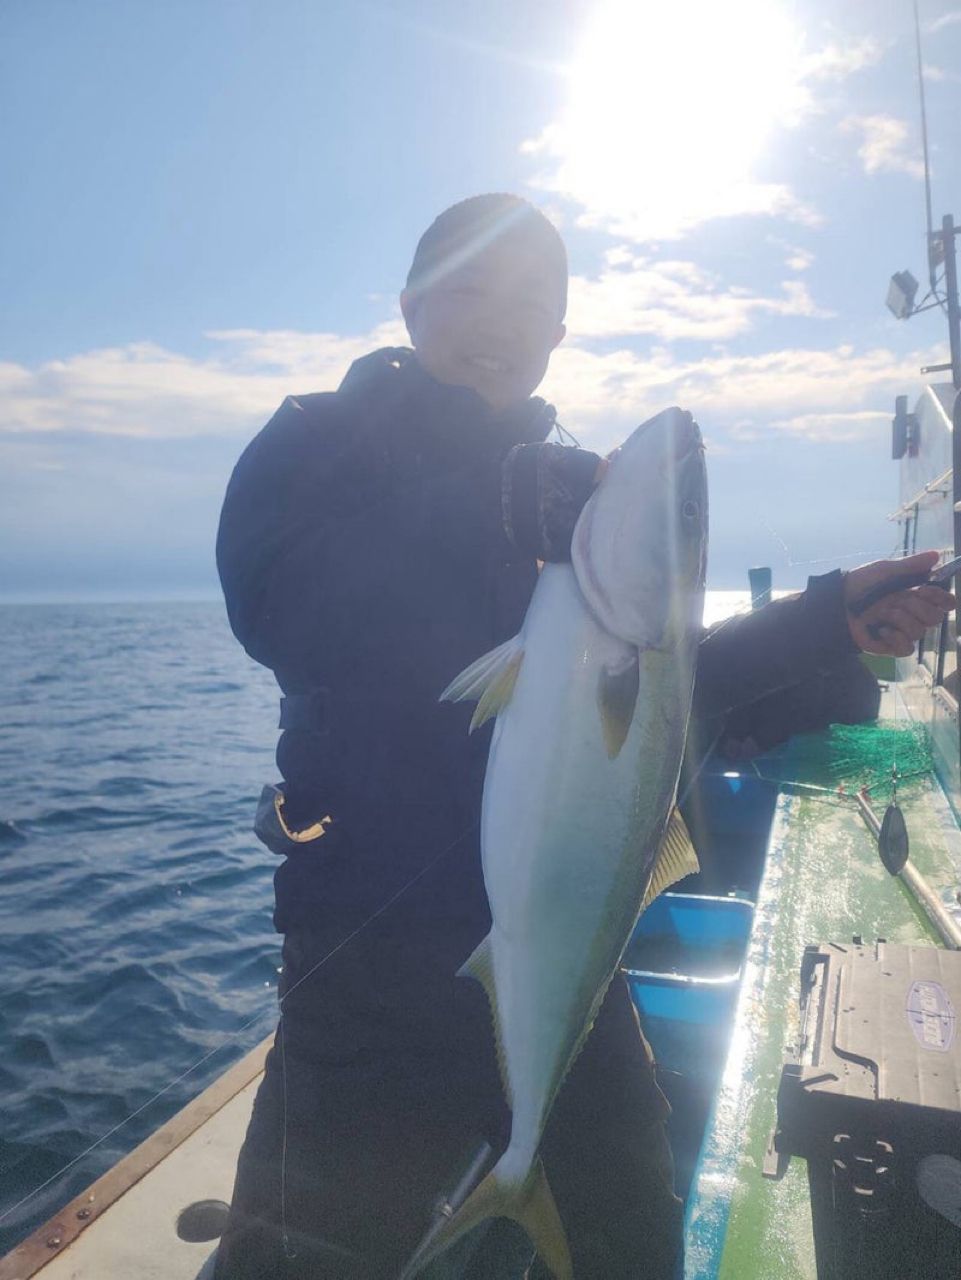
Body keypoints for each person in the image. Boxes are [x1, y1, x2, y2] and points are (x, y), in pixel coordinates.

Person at [214, 193, 953, 1280]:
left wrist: (821, 620)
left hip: (567, 967)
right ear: (410, 305)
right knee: (309, 1256)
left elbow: (655, 686)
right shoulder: (318, 446)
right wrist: (499, 505)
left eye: (530, 300)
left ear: (559, 331)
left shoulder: (571, 501)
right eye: (466, 288)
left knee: (626, 1243)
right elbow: (279, 601)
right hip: (366, 980)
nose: (495, 320)